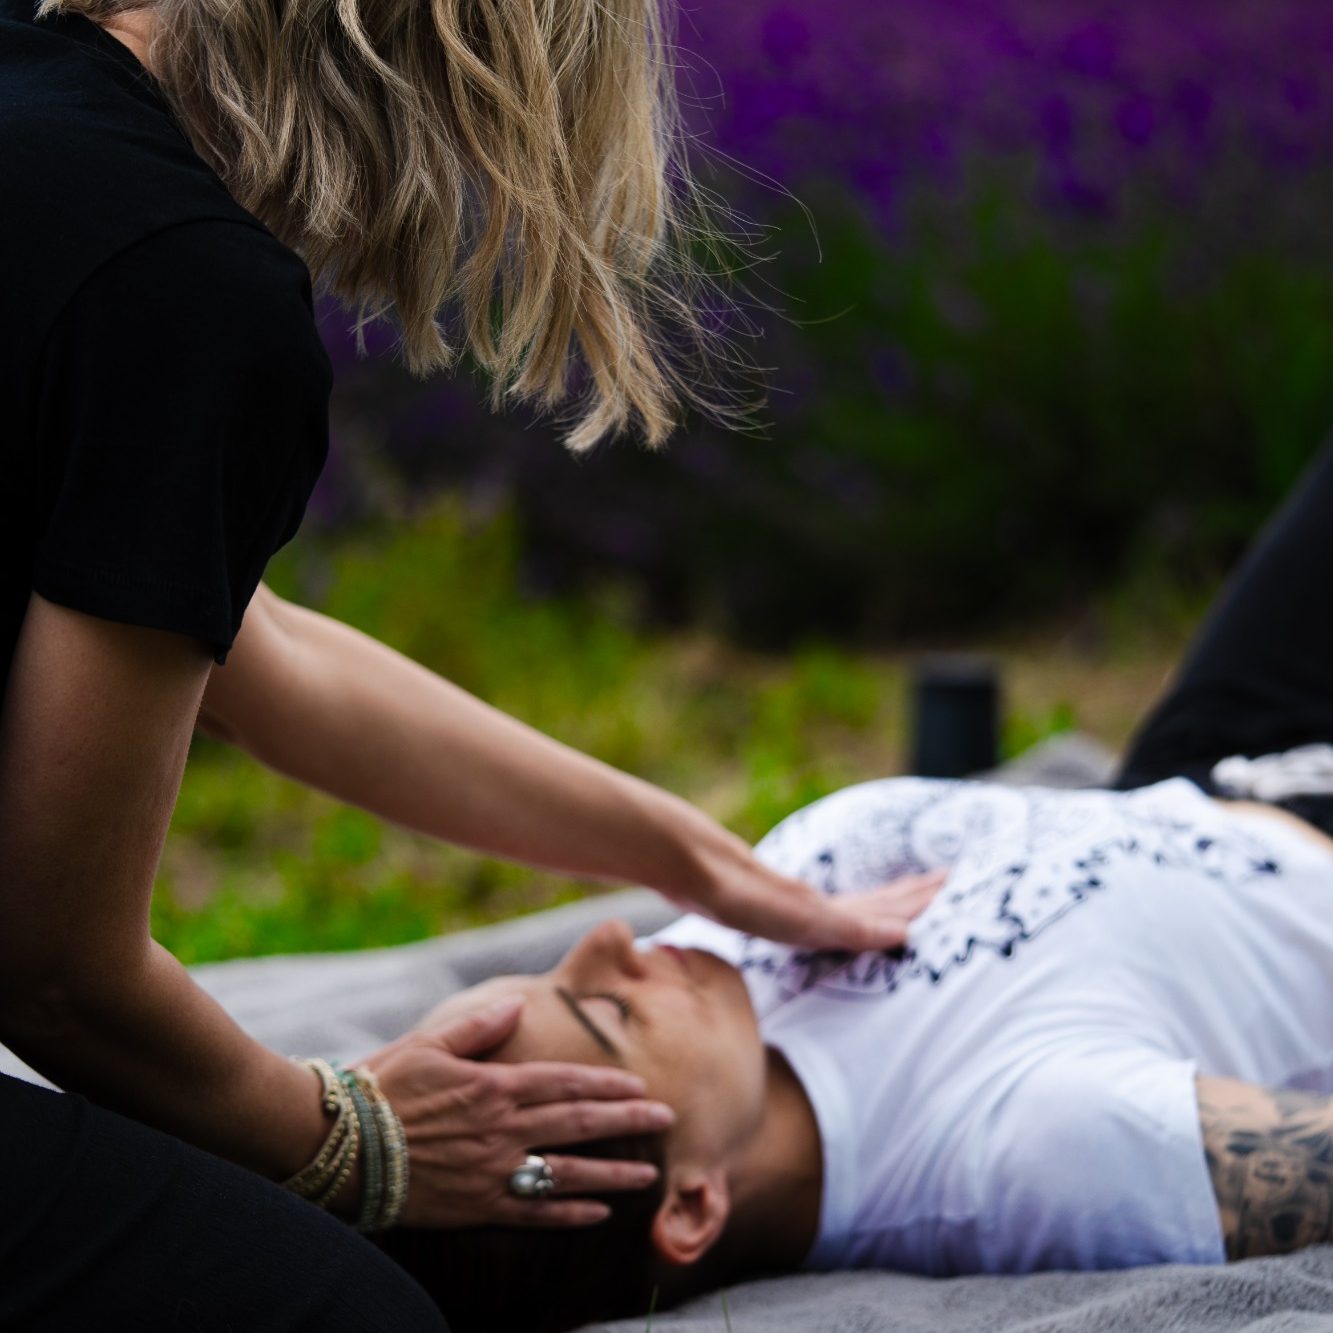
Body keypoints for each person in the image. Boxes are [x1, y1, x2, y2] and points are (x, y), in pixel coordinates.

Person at [0, 0, 926, 1326]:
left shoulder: (37, 101)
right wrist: (355, 1137)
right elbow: (51, 970)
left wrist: (689, 855)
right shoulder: (179, 288)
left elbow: (263, 654)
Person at [377, 438, 1333, 1333]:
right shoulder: (1018, 1145)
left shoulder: (717, 993)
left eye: (553, 974)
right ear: (692, 1200)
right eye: (609, 1015)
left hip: (1200, 765)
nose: (613, 944)